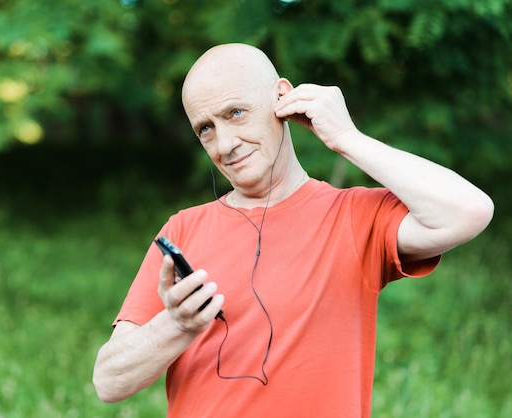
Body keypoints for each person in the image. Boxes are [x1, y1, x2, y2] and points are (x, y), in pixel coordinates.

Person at [92, 43, 493, 417]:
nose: (225, 144)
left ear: (281, 97)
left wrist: (346, 138)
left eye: (235, 113)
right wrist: (176, 324)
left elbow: (468, 211)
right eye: (206, 128)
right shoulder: (183, 228)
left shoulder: (354, 216)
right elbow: (109, 381)